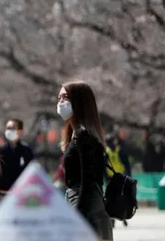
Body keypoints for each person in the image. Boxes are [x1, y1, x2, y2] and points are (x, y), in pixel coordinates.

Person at [57, 81, 113, 240]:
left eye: (65, 97)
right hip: (80, 203)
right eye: (59, 97)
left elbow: (87, 181)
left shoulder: (83, 135)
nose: (61, 102)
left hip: (87, 207)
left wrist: (78, 216)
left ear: (79, 101)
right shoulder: (74, 133)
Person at [0, 118, 34, 193]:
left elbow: (30, 172)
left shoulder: (26, 151)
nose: (9, 131)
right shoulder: (0, 151)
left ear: (20, 131)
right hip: (2, 192)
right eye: (8, 128)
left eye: (12, 128)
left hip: (21, 193)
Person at [105, 133, 131, 228]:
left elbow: (127, 164)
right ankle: (116, 219)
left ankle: (120, 218)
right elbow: (127, 165)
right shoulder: (111, 151)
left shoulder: (117, 151)